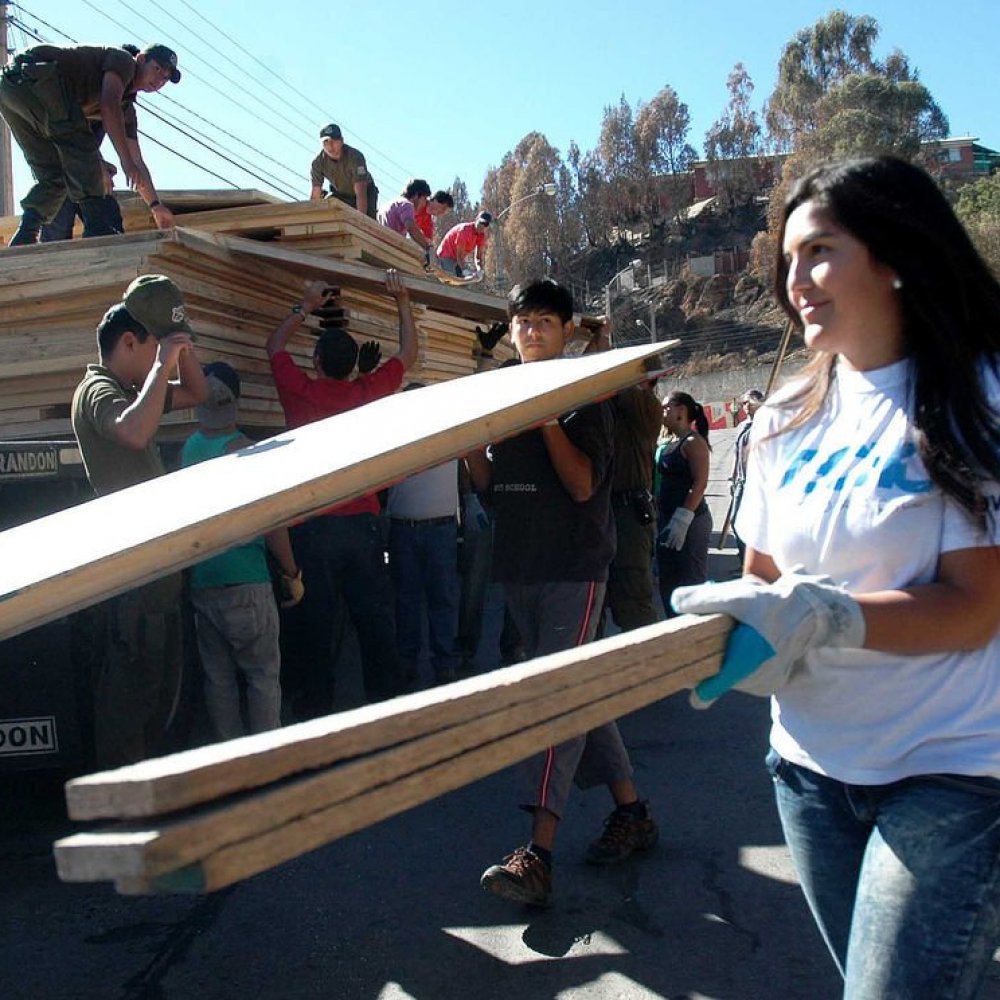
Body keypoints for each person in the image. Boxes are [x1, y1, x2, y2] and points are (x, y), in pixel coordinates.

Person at [672, 156, 1000, 998]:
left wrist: (829, 616)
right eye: (787, 262)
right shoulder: (781, 418)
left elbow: (974, 610)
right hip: (809, 773)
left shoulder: (977, 395)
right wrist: (733, 642)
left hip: (953, 776)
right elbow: (764, 582)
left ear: (893, 255)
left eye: (819, 252)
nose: (796, 281)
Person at [467, 278, 657, 908]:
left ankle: (538, 854)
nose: (532, 332)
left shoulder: (585, 399)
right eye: (524, 321)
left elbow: (581, 486)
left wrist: (548, 420)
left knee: (555, 698)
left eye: (547, 321)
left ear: (568, 329)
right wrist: (468, 448)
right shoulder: (503, 393)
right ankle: (633, 812)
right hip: (519, 566)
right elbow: (496, 490)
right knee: (580, 696)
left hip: (575, 570)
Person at [265, 271, 418, 713]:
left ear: (314, 361)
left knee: (316, 624)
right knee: (373, 619)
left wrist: (305, 303)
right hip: (363, 526)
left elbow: (273, 347)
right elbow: (408, 354)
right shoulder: (367, 392)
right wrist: (401, 299)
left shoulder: (302, 393)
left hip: (312, 527)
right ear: (353, 365)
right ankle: (385, 708)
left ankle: (316, 714)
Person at [71, 274, 208, 768]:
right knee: (127, 704)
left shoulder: (136, 388)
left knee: (155, 699)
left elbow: (198, 392)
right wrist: (161, 365)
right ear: (129, 342)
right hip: (131, 578)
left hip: (156, 575)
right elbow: (131, 431)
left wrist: (180, 350)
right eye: (152, 347)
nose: (158, 360)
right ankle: (122, 818)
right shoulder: (99, 390)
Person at [180, 361, 304, 742]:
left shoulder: (188, 450)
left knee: (219, 682)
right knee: (262, 676)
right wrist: (292, 574)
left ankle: (230, 767)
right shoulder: (247, 452)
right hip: (248, 581)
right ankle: (265, 767)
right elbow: (272, 523)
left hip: (205, 581)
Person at [0, 42, 179, 245]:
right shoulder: (124, 61)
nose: (159, 79)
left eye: (165, 77)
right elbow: (109, 105)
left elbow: (138, 162)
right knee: (82, 146)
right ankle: (97, 228)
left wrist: (155, 205)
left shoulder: (127, 109)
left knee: (56, 174)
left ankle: (26, 232)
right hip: (35, 74)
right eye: (157, 69)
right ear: (141, 59)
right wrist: (125, 162)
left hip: (10, 91)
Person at [386, 385, 462, 688]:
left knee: (427, 599)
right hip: (415, 529)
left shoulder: (449, 434)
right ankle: (418, 663)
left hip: (425, 528)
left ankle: (438, 663)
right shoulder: (395, 437)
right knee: (419, 600)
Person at [589, 322, 662, 633]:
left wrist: (603, 341)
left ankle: (651, 672)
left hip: (628, 514)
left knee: (632, 600)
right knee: (596, 601)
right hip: (603, 510)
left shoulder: (647, 407)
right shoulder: (615, 406)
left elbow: (610, 380)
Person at [655, 390, 713, 617]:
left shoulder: (693, 442)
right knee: (668, 579)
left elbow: (699, 484)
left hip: (690, 521)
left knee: (690, 579)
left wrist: (683, 518)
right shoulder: (668, 441)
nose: (663, 411)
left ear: (681, 410)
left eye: (666, 407)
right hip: (667, 518)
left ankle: (697, 630)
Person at [309, 123, 378, 219]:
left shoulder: (355, 157)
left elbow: (360, 192)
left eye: (334, 141)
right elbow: (315, 194)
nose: (330, 146)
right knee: (330, 205)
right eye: (326, 142)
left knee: (368, 222)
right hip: (341, 193)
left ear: (341, 141)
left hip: (365, 192)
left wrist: (360, 220)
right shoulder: (318, 163)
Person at [728, 388, 763, 564]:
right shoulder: (743, 426)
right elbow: (736, 452)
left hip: (757, 482)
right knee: (736, 520)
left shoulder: (764, 424)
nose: (745, 406)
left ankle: (754, 563)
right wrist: (732, 476)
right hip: (742, 481)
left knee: (755, 522)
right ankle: (744, 560)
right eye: (743, 403)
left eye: (748, 402)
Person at [380, 179, 434, 252]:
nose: (424, 204)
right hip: (389, 249)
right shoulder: (407, 205)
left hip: (381, 245)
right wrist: (427, 248)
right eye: (424, 198)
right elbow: (411, 228)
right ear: (417, 195)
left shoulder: (393, 203)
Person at [436, 211, 491, 277]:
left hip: (457, 259)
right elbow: (459, 256)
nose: (482, 226)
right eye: (481, 222)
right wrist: (464, 270)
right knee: (450, 280)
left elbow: (478, 257)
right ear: (476, 219)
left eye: (486, 224)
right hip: (445, 256)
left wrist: (480, 269)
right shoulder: (464, 231)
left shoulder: (481, 235)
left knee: (467, 282)